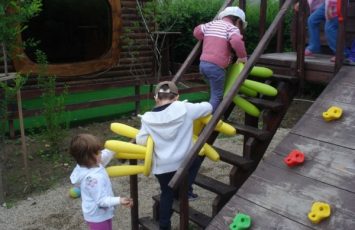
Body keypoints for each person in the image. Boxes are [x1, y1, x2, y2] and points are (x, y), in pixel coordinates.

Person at [135, 81, 212, 230]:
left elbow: (141, 140)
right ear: (176, 97)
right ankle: (187, 187)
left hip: (163, 167)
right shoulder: (185, 108)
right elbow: (208, 107)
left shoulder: (148, 118)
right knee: (198, 156)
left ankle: (165, 226)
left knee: (166, 193)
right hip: (184, 163)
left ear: (156, 98)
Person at [69, 133, 133, 230]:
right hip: (97, 216)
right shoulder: (93, 178)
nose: (101, 153)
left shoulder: (89, 164)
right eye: (98, 152)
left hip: (100, 213)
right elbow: (101, 200)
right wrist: (119, 200)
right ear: (89, 158)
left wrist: (118, 146)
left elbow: (107, 154)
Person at [193, 6, 248, 112]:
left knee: (213, 92)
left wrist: (205, 37)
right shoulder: (232, 28)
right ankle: (209, 122)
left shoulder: (211, 24)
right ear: (237, 21)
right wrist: (242, 57)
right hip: (216, 67)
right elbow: (237, 41)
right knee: (217, 96)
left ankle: (210, 114)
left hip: (203, 64)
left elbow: (197, 32)